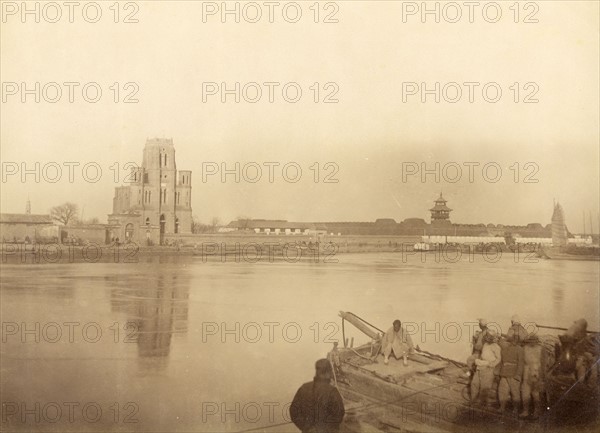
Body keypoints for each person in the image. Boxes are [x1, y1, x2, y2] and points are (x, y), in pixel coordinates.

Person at [290, 359, 345, 433]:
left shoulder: (304, 388)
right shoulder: (332, 391)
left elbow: (293, 411)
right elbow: (339, 414)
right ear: (328, 372)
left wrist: (306, 428)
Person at [471, 329, 501, 408]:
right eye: (487, 336)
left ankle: (481, 404)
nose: (488, 338)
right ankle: (473, 401)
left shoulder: (496, 347)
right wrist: (478, 361)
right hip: (480, 366)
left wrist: (491, 364)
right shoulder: (485, 345)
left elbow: (498, 359)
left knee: (485, 387)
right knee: (475, 383)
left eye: (490, 336)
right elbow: (482, 355)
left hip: (488, 368)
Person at [520, 333, 546, 419]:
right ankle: (525, 411)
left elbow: (543, 363)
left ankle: (536, 412)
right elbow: (522, 361)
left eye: (534, 341)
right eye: (530, 341)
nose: (532, 342)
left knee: (535, 392)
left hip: (536, 371)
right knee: (525, 392)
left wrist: (542, 376)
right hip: (526, 370)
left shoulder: (541, 349)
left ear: (537, 341)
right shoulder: (525, 348)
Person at [497, 334, 524, 415]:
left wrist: (518, 374)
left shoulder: (520, 349)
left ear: (518, 341)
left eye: (515, 340)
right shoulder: (505, 348)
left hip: (514, 373)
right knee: (502, 391)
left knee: (515, 392)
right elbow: (502, 361)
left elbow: (521, 363)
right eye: (512, 340)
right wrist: (500, 372)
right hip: (504, 373)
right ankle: (502, 407)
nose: (514, 342)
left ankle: (515, 409)